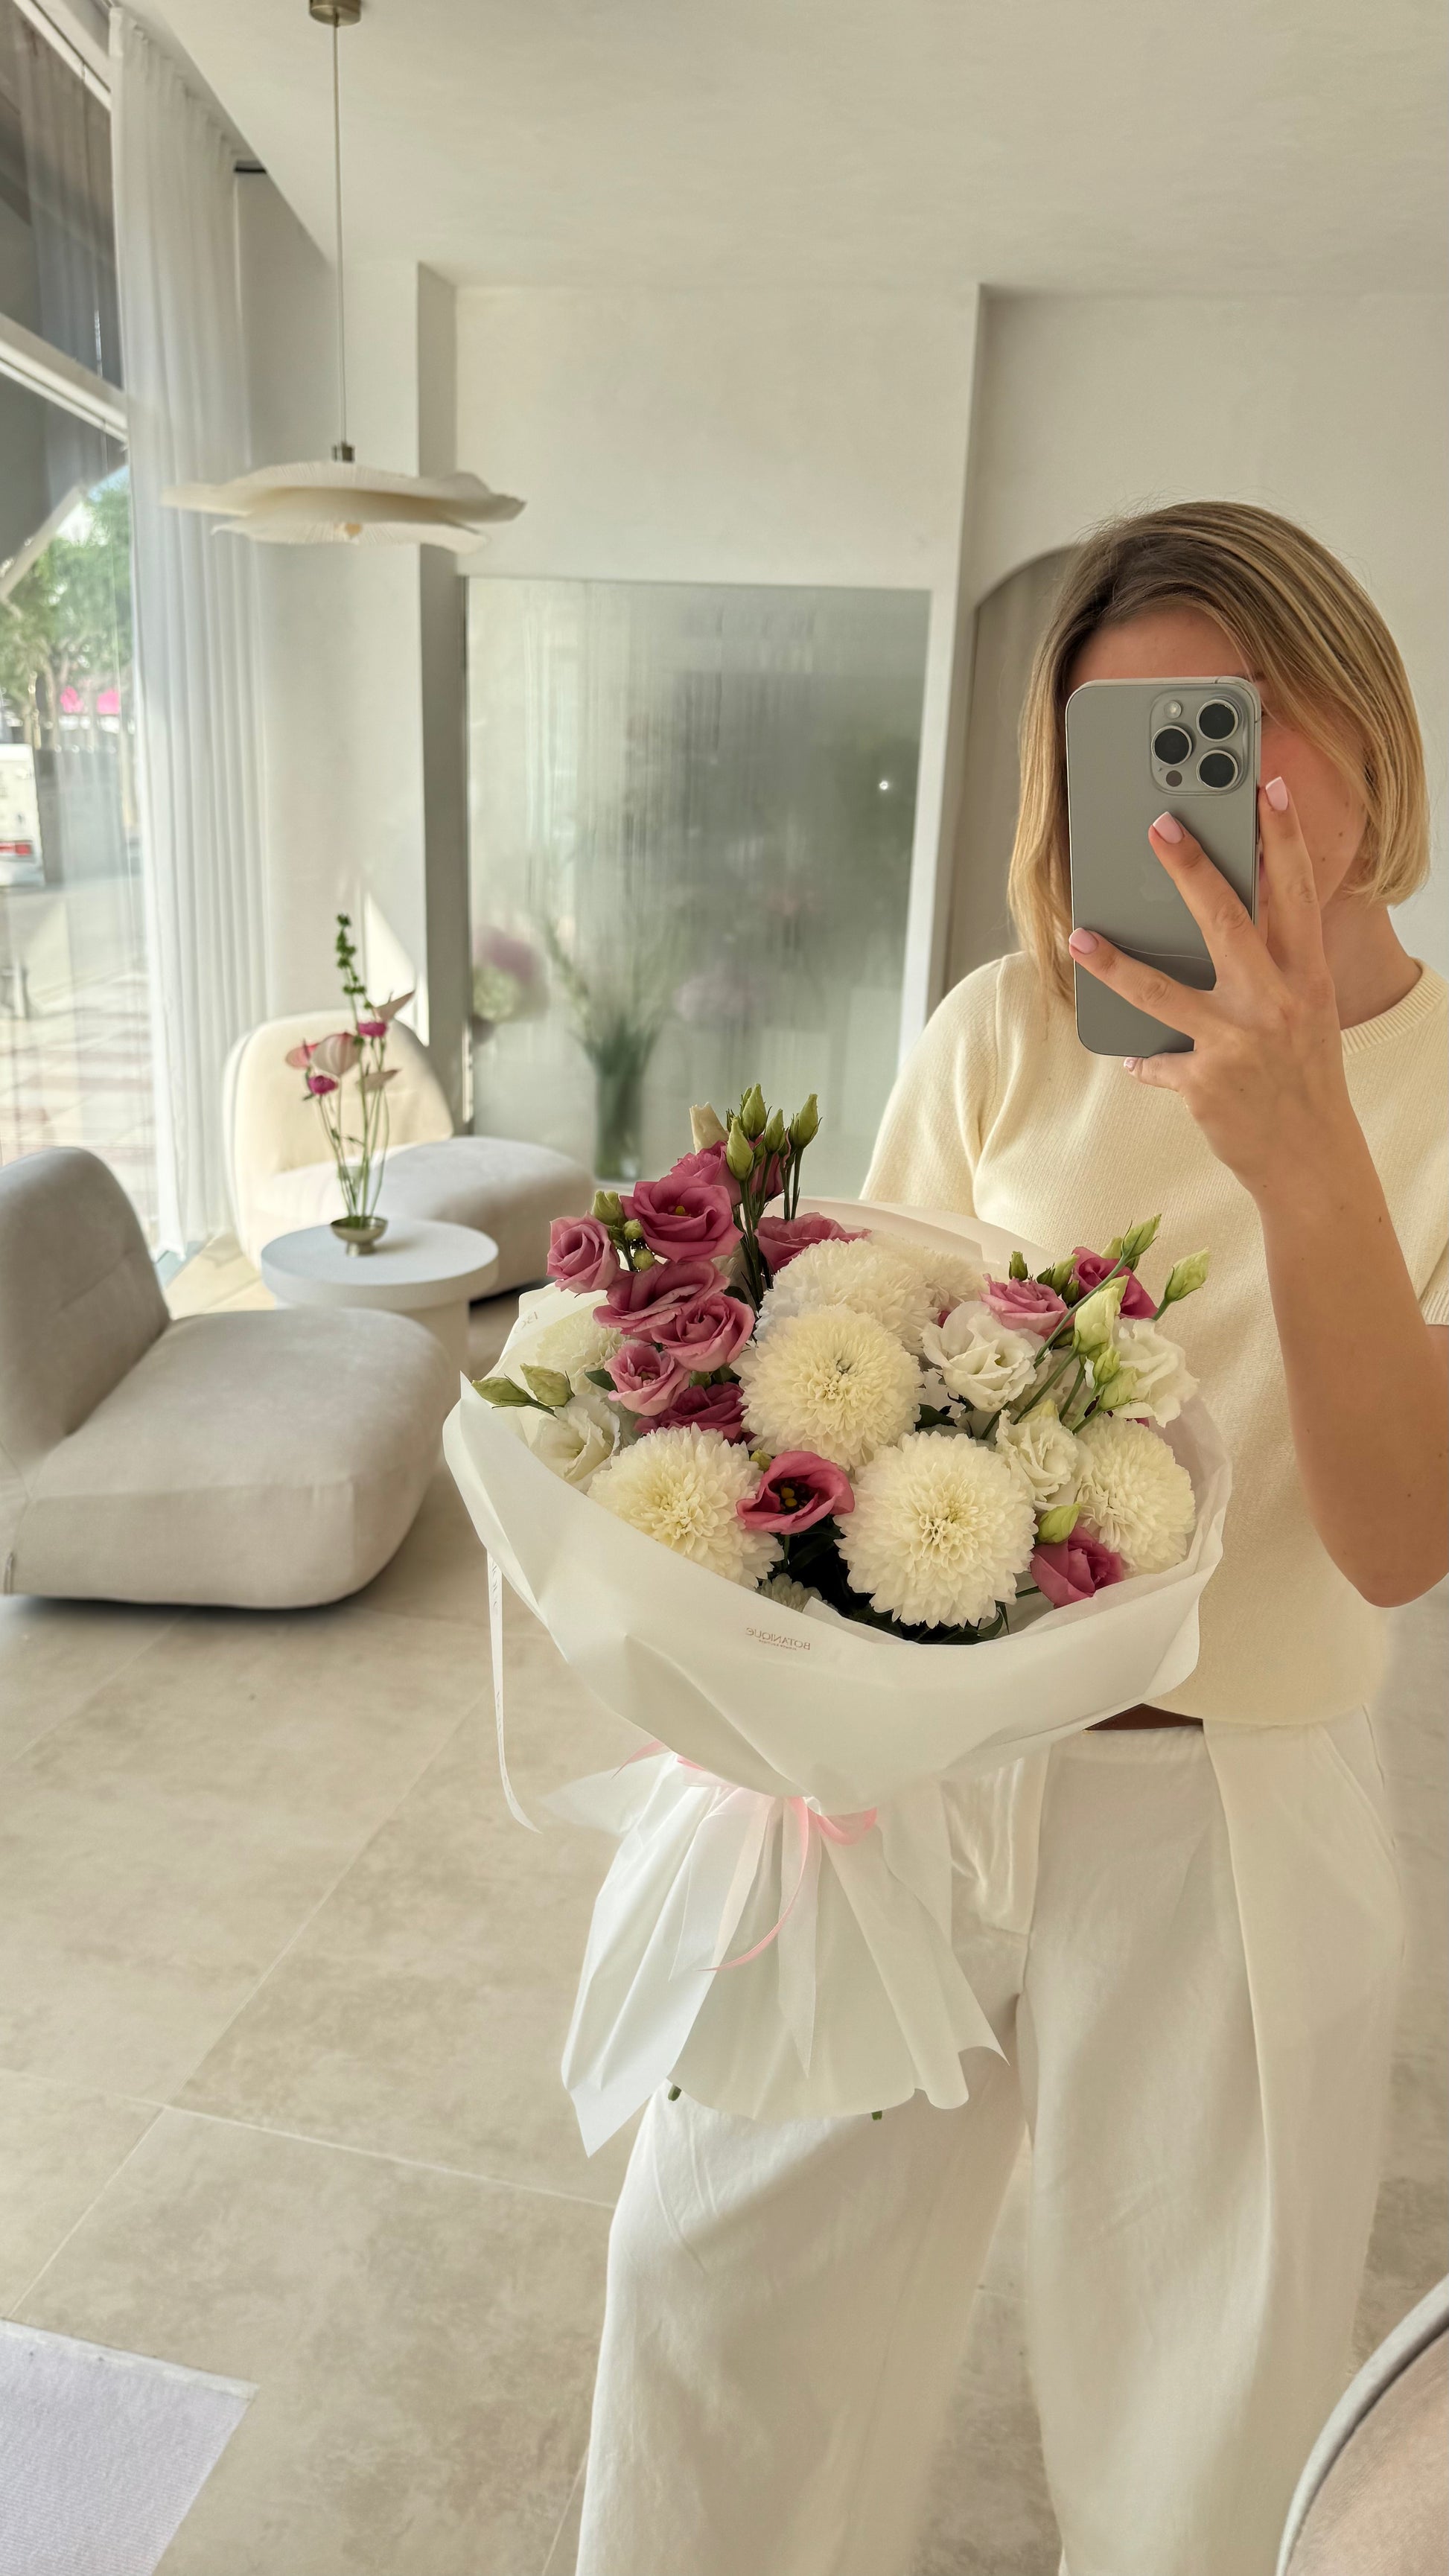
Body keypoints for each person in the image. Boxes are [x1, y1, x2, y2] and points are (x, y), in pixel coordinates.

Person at [574, 501, 1448, 2576]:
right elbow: (859, 1368)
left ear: (1363, 720)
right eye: (1138, 739)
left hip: (1229, 1814)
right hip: (927, 1773)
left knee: (1194, 2423)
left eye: (1238, 718)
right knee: (721, 2297)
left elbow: (1398, 1537)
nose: (1204, 789)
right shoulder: (1001, 1026)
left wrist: (1302, 1140)